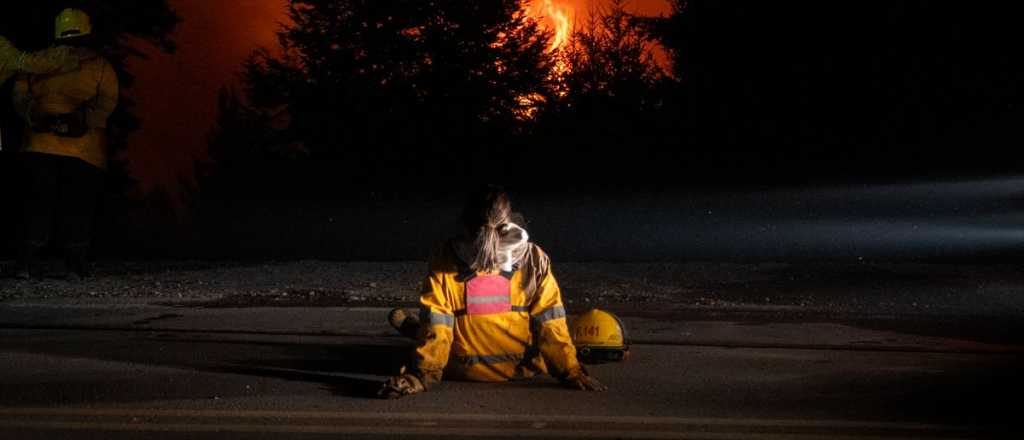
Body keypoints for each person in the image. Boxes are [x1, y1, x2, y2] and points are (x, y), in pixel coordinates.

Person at [378, 187, 607, 398]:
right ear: (510, 220)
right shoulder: (533, 258)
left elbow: (438, 326)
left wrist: (422, 376)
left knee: (430, 326)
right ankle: (411, 327)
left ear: (465, 223)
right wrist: (571, 371)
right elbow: (551, 323)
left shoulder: (444, 257)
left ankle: (411, 328)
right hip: (524, 368)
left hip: (461, 368)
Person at [8, 8, 118, 280]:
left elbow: (19, 96)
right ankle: (75, 263)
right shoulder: (99, 64)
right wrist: (83, 119)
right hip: (85, 150)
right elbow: (108, 100)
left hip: (38, 145)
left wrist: (36, 116)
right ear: (87, 31)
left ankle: (25, 262)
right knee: (78, 204)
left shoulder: (37, 62)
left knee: (37, 201)